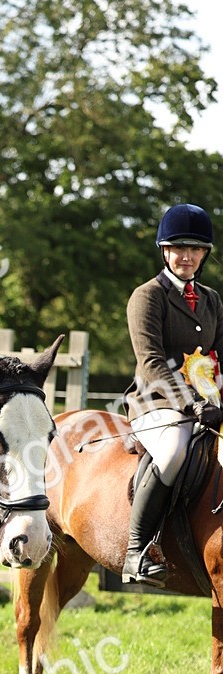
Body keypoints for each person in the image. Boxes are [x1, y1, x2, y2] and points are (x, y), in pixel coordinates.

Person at [123, 202, 223, 585]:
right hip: (157, 402)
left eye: (195, 249)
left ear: (204, 254)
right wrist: (190, 404)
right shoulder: (147, 296)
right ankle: (136, 550)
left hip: (207, 404)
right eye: (179, 248)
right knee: (173, 451)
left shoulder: (212, 300)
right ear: (164, 251)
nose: (187, 256)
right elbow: (151, 361)